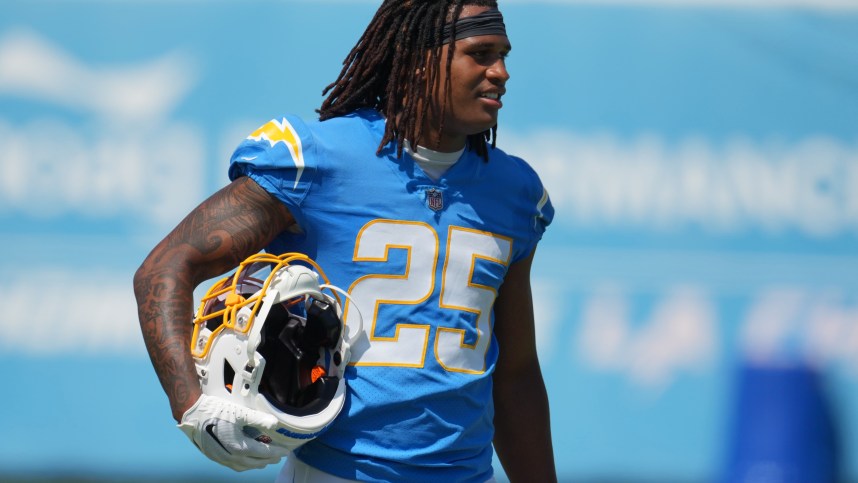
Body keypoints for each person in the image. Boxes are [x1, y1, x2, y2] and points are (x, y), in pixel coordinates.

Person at [133, 1, 556, 481]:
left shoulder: (515, 192)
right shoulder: (319, 160)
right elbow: (166, 268)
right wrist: (191, 404)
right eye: (480, 53)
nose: (499, 72)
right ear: (420, 57)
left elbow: (515, 371)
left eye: (503, 55)